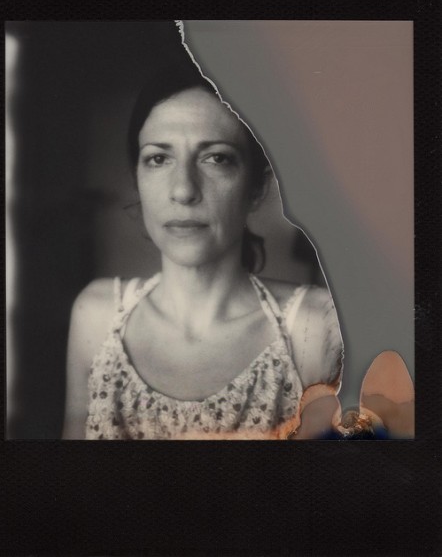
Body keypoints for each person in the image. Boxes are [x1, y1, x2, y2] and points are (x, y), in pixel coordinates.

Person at [62, 63, 344, 440]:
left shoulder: (314, 326)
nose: (183, 190)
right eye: (158, 158)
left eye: (216, 158)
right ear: (138, 180)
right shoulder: (96, 316)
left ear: (256, 188)